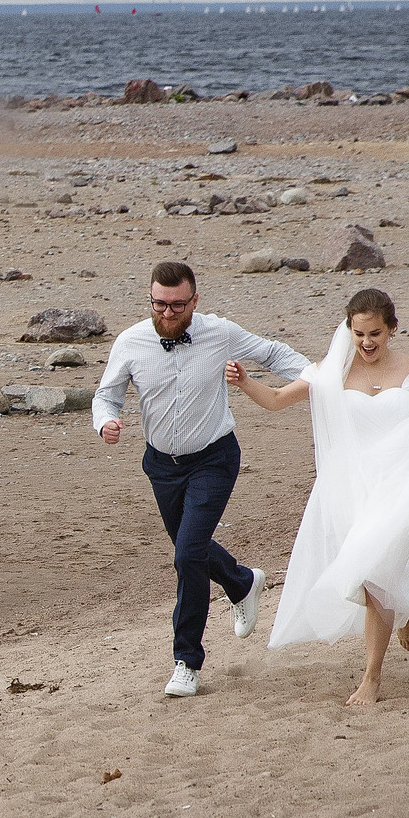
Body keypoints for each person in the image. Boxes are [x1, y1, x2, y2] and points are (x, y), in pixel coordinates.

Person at [228, 287, 409, 705]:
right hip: (347, 486)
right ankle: (404, 603)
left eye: (375, 334)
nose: (366, 343)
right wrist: (246, 381)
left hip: (398, 485)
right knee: (359, 574)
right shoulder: (331, 371)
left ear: (392, 329)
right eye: (359, 333)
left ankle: (372, 678)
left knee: (373, 572)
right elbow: (274, 402)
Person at [93, 261, 310, 698]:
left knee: (187, 554)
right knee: (190, 550)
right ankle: (242, 582)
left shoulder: (220, 332)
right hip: (161, 465)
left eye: (177, 305)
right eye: (160, 304)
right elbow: (106, 393)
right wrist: (106, 422)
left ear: (195, 300)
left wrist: (318, 375)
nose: (168, 313)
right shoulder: (131, 341)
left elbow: (272, 352)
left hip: (214, 458)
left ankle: (186, 662)